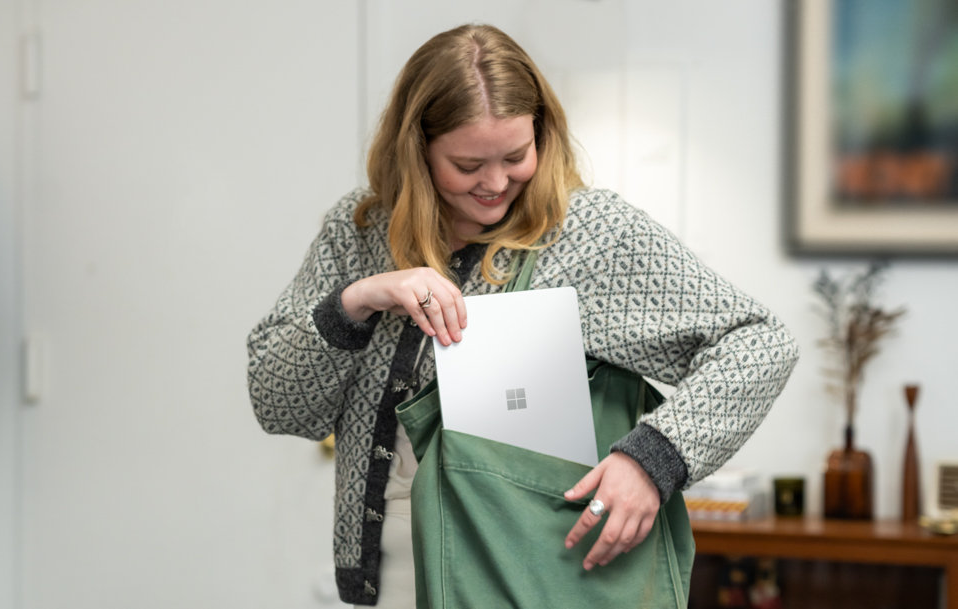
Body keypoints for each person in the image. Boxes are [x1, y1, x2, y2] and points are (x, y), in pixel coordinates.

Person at [247, 23, 798, 608]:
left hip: (530, 579)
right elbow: (280, 406)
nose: (495, 182)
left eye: (516, 155)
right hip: (389, 582)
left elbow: (759, 343)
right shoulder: (356, 234)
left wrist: (653, 461)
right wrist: (356, 301)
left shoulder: (589, 235)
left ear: (543, 133)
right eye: (467, 164)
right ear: (416, 150)